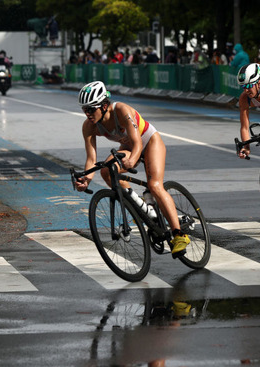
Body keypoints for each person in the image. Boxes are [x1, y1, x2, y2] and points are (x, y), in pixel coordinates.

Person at [74, 81, 190, 257]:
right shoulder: (88, 126)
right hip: (128, 147)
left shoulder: (121, 111)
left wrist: (133, 160)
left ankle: (179, 234)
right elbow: (92, 159)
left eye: (91, 109)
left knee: (155, 185)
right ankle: (139, 205)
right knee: (106, 170)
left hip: (148, 141)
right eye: (85, 109)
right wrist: (86, 179)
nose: (87, 113)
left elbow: (137, 143)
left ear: (104, 106)